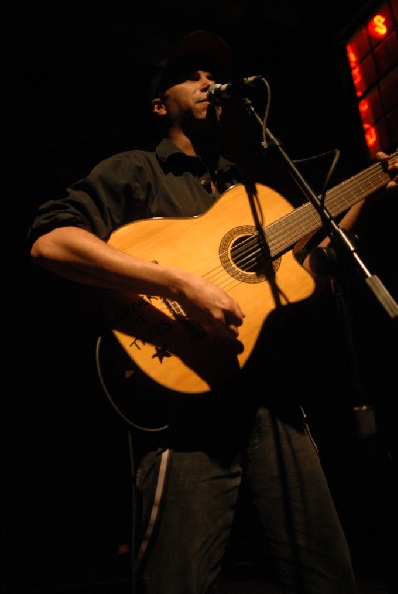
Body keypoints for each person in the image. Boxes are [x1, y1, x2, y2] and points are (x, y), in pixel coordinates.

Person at [28, 30, 398, 594]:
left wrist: (359, 201)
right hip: (185, 413)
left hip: (273, 406)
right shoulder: (136, 171)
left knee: (330, 577)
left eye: (213, 74)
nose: (209, 82)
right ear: (159, 104)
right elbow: (51, 243)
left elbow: (305, 281)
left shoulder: (253, 193)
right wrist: (176, 282)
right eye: (192, 74)